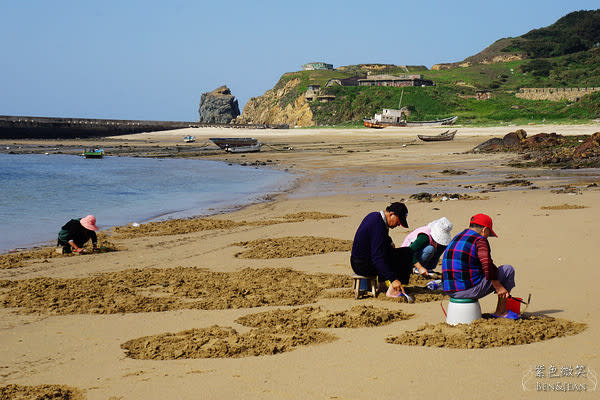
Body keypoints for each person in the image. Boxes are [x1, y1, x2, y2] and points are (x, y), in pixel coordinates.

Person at [442, 213, 518, 319]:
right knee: (508, 270)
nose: (487, 236)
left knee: (490, 271)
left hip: (449, 289)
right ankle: (501, 311)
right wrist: (499, 287)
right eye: (488, 233)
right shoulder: (480, 240)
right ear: (484, 229)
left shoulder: (456, 237)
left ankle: (501, 309)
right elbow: (487, 265)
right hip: (466, 290)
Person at [350, 202, 413, 295]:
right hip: (363, 266)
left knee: (395, 251)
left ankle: (383, 284)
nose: (398, 225)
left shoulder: (375, 216)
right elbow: (377, 258)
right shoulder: (378, 224)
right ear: (391, 214)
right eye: (398, 221)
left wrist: (389, 241)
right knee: (405, 254)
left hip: (358, 261)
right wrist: (393, 279)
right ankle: (393, 289)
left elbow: (378, 238)